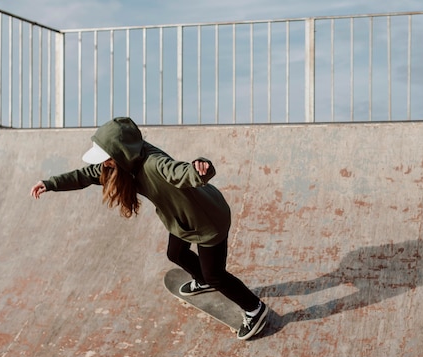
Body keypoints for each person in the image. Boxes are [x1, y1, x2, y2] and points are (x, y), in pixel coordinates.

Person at [30, 116, 268, 340]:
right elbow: (85, 175)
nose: (104, 164)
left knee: (215, 274)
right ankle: (202, 280)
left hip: (207, 220)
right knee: (176, 254)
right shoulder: (120, 165)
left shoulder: (154, 164)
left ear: (121, 154)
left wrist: (200, 168)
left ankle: (254, 309)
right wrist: (50, 184)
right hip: (181, 220)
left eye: (107, 158)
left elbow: (180, 171)